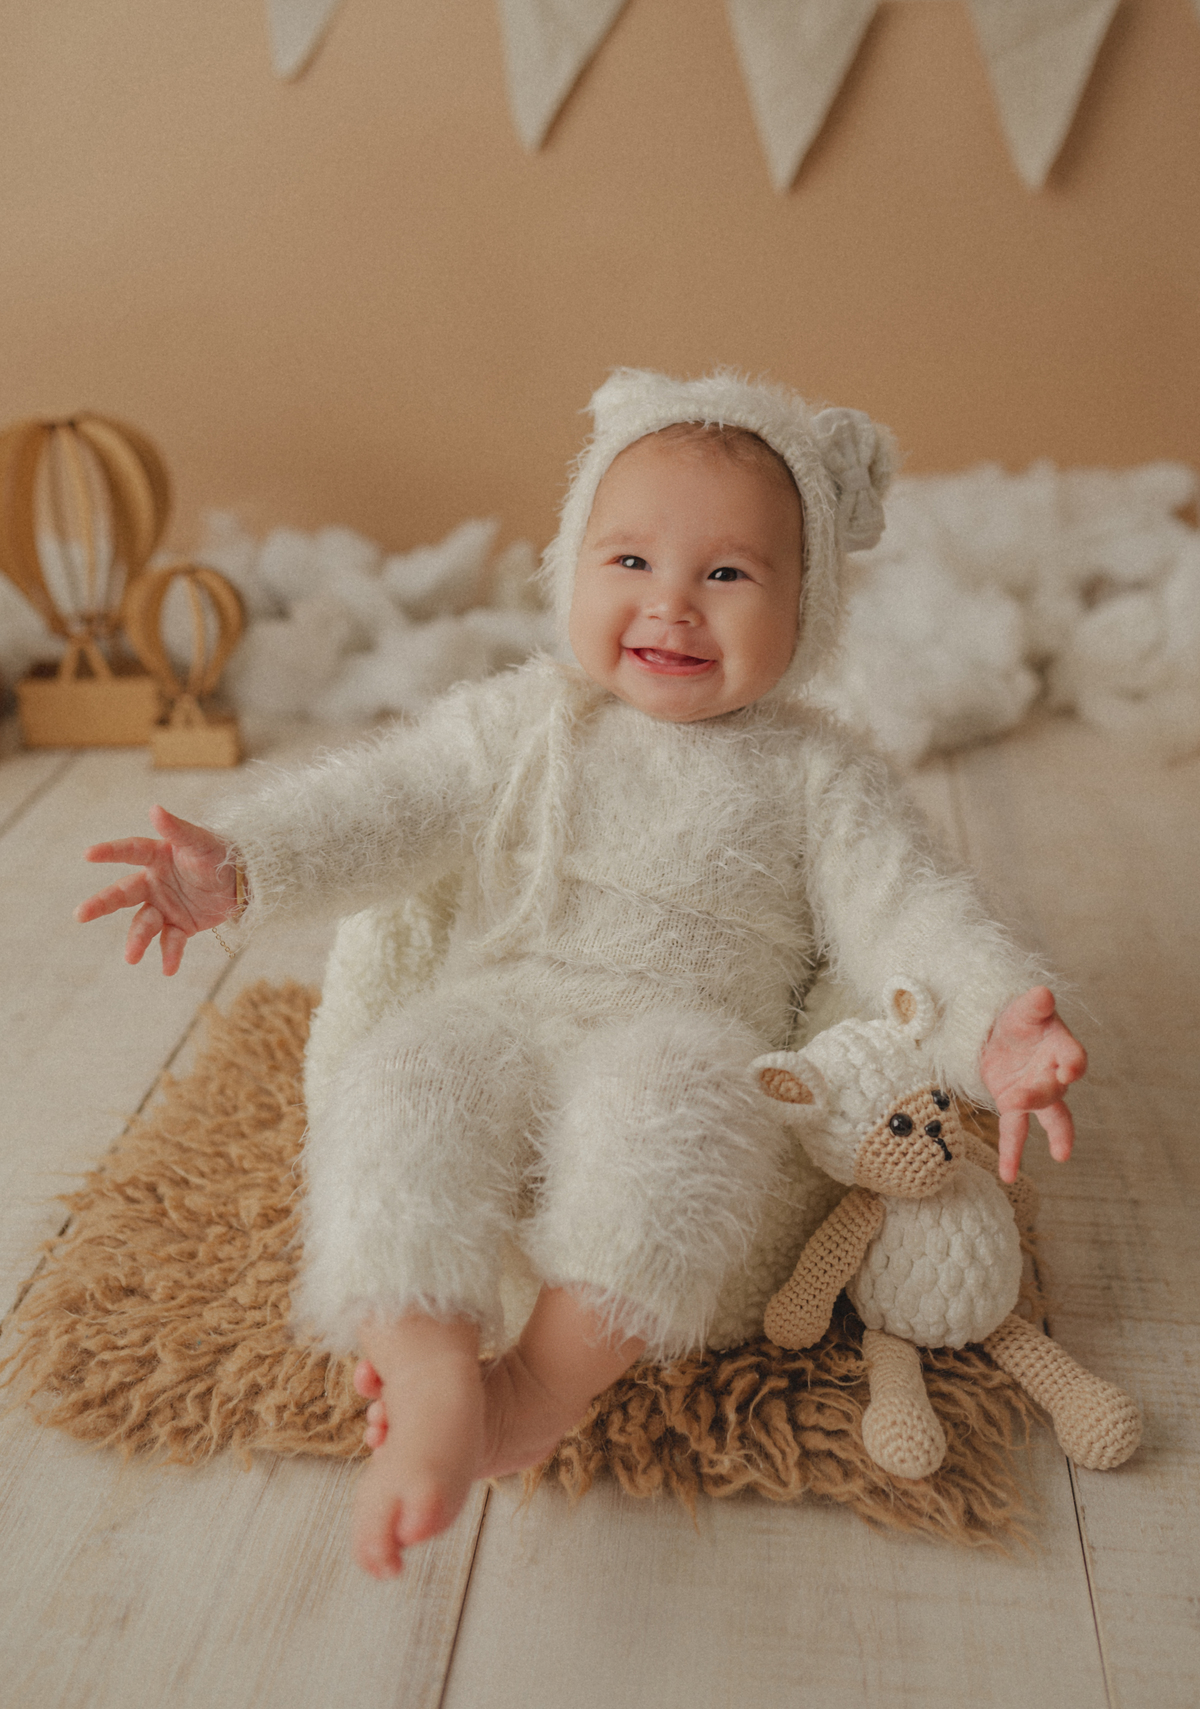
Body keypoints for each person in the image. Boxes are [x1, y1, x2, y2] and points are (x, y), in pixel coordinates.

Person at [76, 369, 1085, 1580]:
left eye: (727, 573)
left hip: (677, 1033)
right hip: (501, 1014)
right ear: (570, 568)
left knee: (680, 1095)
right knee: (406, 1074)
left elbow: (909, 910)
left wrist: (994, 1023)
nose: (672, 605)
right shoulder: (522, 720)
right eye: (630, 561)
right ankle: (427, 1361)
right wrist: (245, 865)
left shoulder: (819, 774)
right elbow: (386, 804)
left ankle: (542, 1385)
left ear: (808, 606)